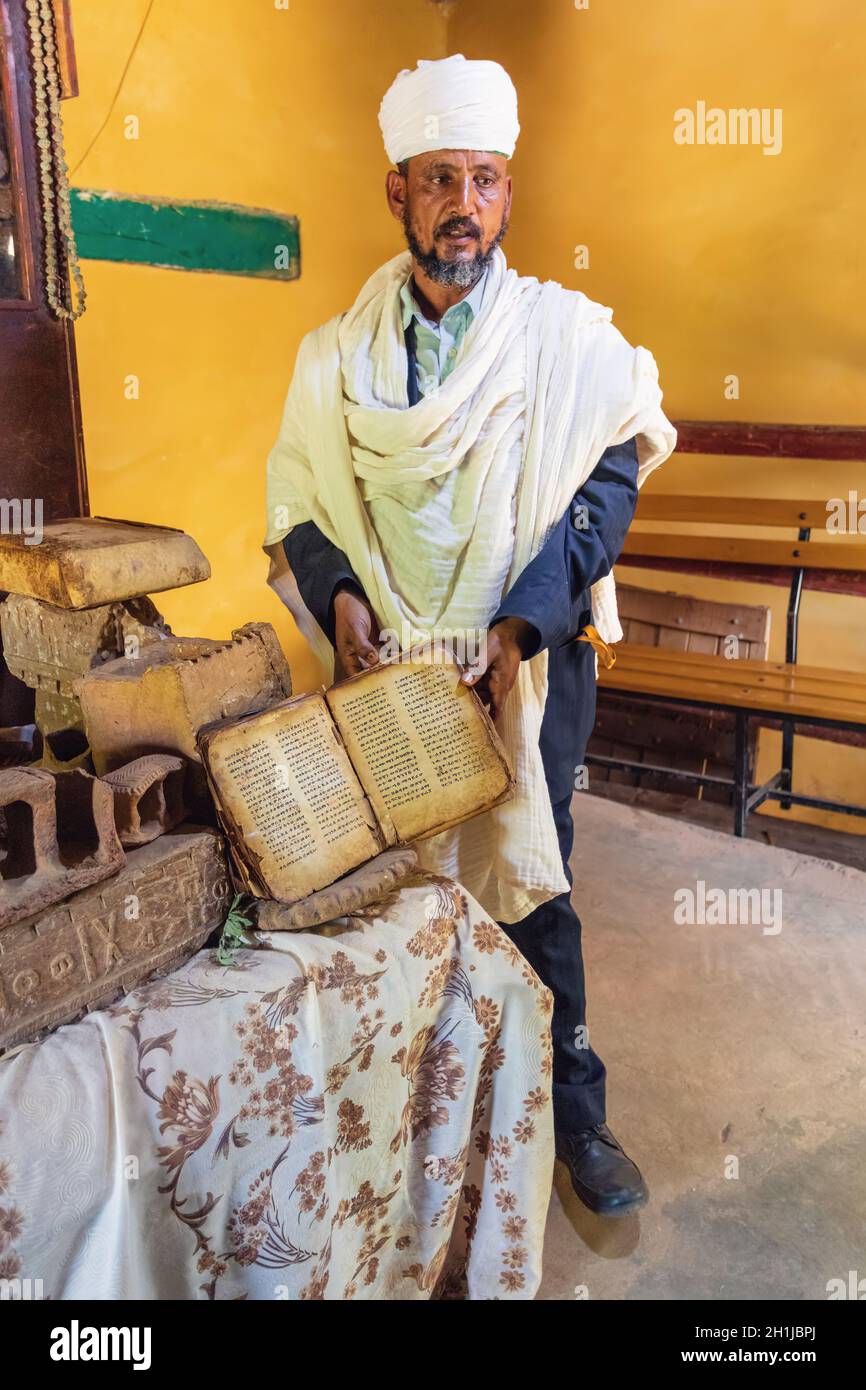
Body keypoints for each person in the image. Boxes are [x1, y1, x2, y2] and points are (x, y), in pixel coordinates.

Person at [263, 55, 676, 1217]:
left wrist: (522, 621)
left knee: (531, 881)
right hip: (394, 663)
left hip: (526, 657)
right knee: (405, 893)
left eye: (485, 181)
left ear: (507, 195)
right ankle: (420, 1104)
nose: (465, 204)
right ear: (395, 192)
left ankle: (574, 1117)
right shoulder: (335, 353)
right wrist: (337, 592)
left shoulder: (564, 340)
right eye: (439, 178)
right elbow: (297, 495)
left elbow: (609, 480)